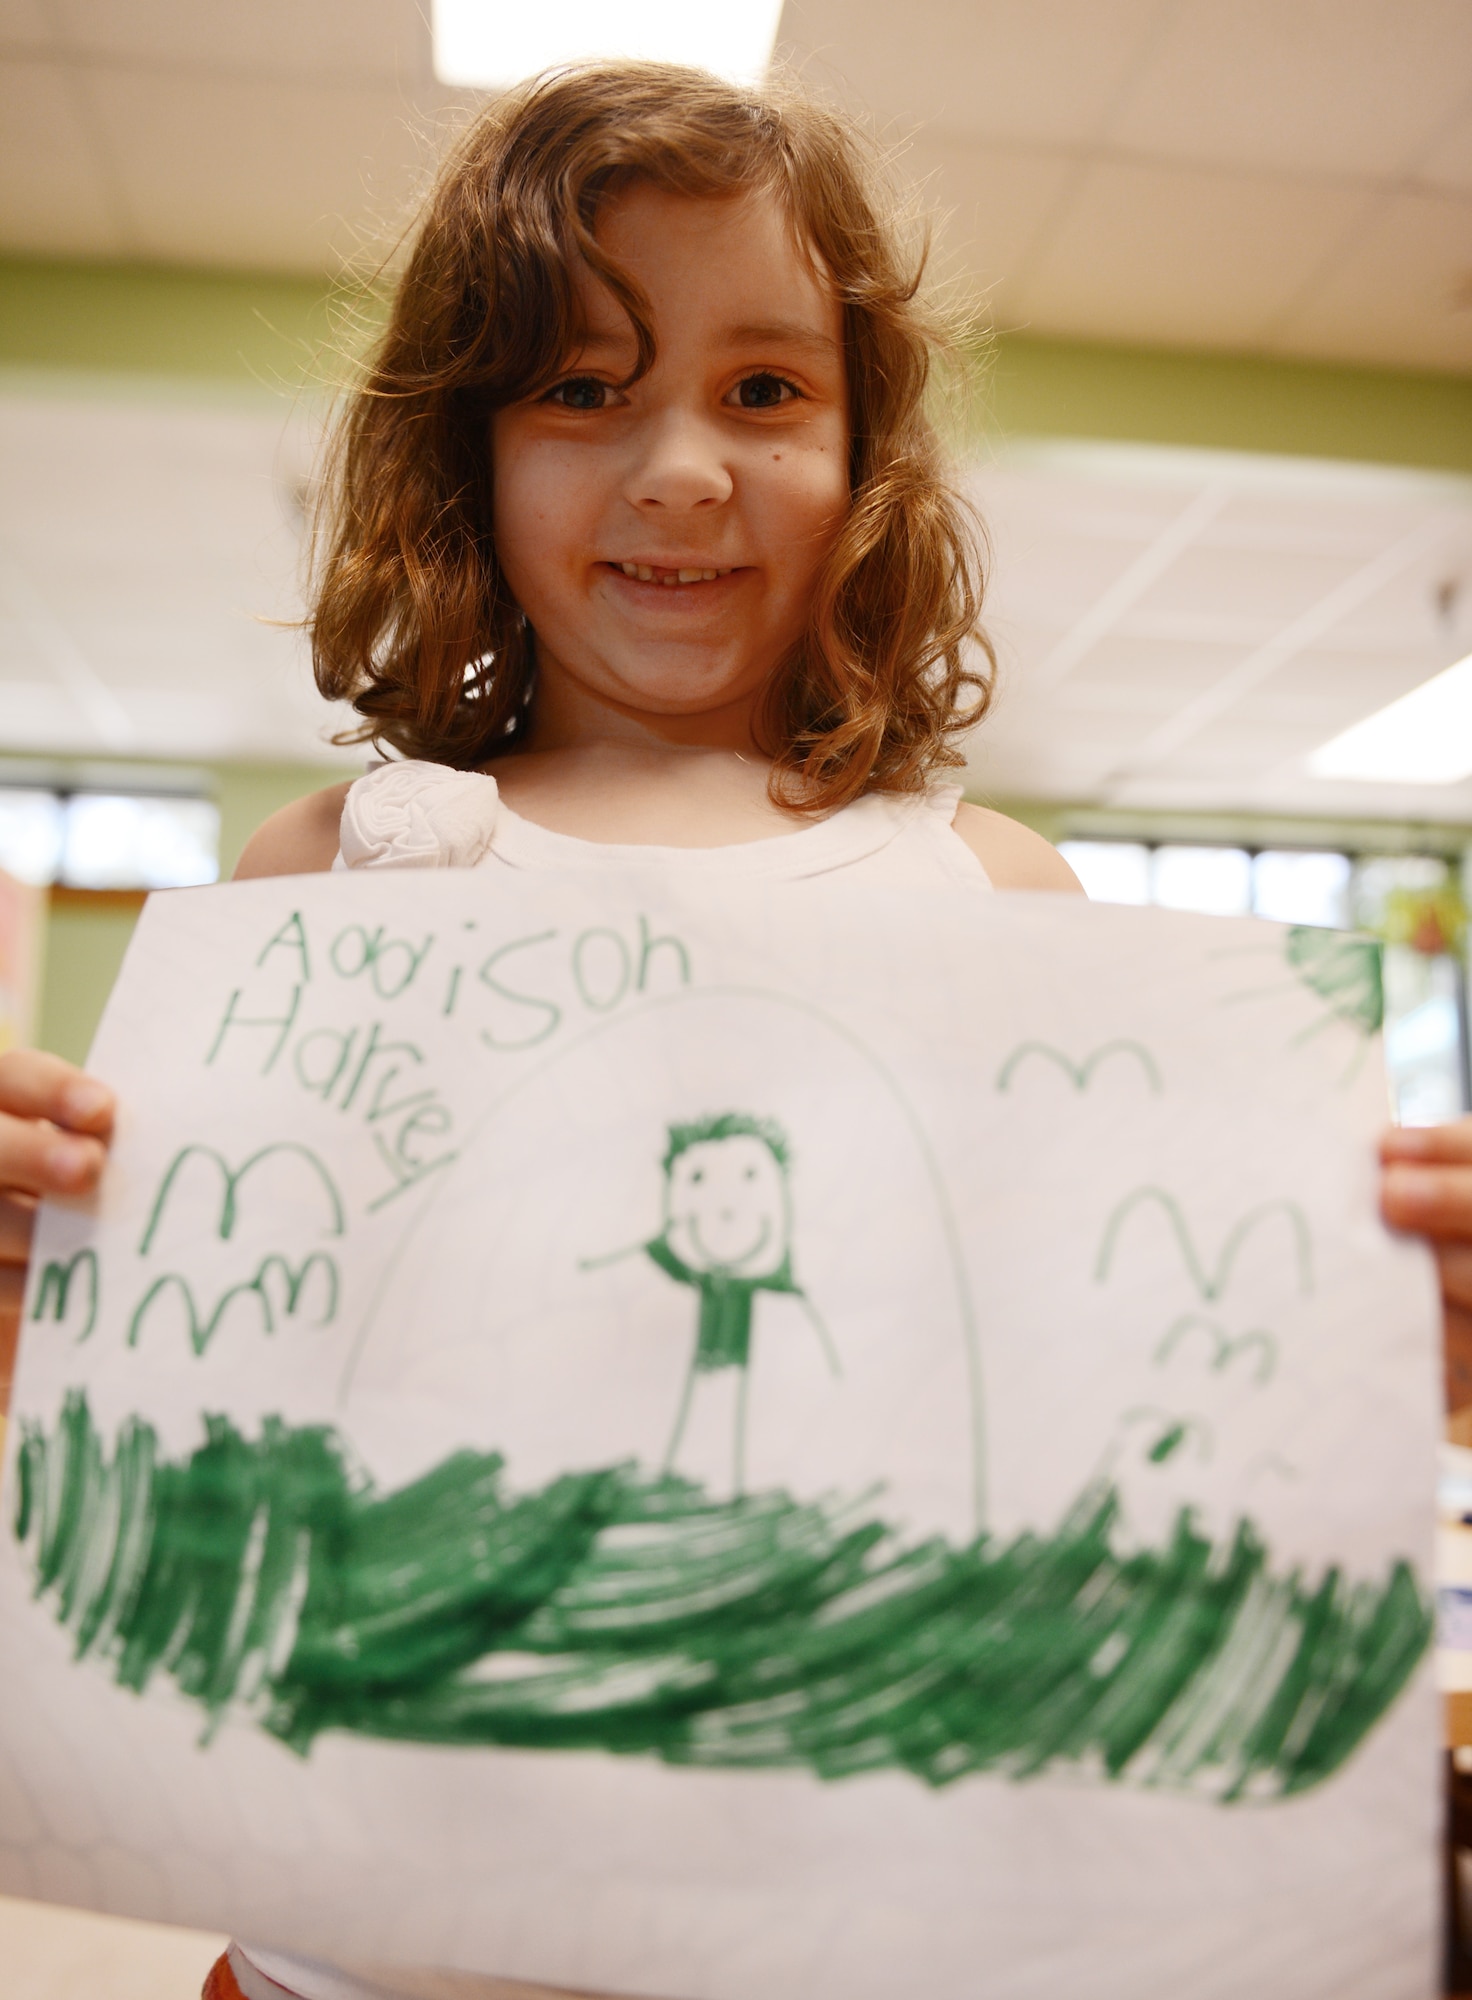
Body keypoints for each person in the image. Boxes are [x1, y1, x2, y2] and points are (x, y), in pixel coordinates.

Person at [0, 58, 1467, 2000]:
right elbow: (183, 1394)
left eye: (763, 390)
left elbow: (1085, 1397)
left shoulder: (997, 897)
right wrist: (36, 1268)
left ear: (867, 452)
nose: (680, 464)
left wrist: (1374, 1334)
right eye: (582, 388)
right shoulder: (336, 873)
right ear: (468, 449)